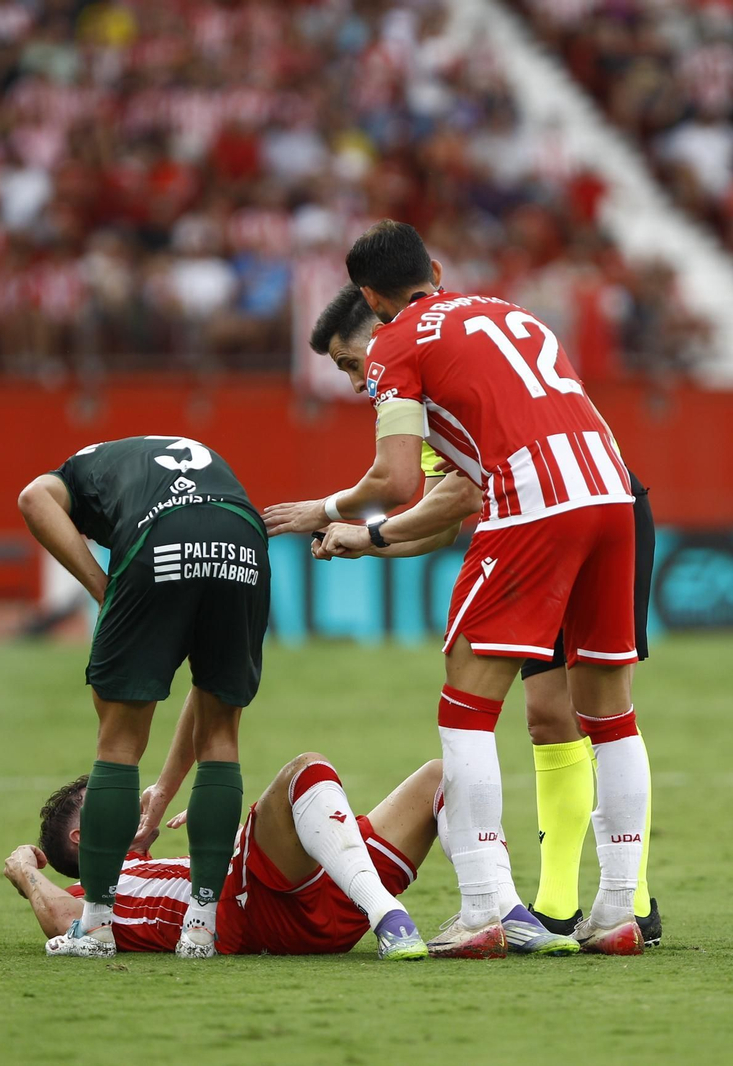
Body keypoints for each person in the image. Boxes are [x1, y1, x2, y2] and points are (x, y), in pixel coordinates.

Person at [265, 221, 649, 957]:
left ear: (371, 299)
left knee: (466, 708)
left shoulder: (394, 344)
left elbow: (398, 480)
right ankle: (616, 911)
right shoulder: (510, 313)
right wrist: (375, 535)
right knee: (611, 715)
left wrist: (325, 510)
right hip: (612, 489)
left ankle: (481, 907)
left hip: (535, 499)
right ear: (434, 268)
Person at [16, 435, 282, 958]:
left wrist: (103, 589)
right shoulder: (147, 457)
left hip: (160, 535)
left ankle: (95, 928)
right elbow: (203, 700)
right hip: (243, 537)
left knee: (118, 742)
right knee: (222, 732)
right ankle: (202, 928)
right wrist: (164, 790)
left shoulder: (74, 473)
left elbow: (32, 499)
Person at [4, 753, 434, 960]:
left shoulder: (143, 864)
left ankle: (491, 914)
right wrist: (24, 869)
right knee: (306, 770)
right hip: (266, 907)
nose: (127, 800)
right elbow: (61, 919)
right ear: (83, 838)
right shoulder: (96, 899)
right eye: (107, 801)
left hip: (321, 892)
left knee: (438, 778)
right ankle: (390, 918)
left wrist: (216, 827)